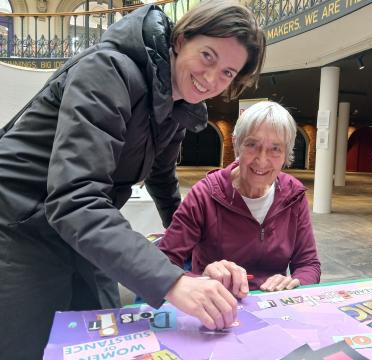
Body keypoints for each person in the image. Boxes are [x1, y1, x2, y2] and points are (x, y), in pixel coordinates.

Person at [0, 1, 265, 357]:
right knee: (30, 345)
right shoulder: (107, 71)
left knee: (106, 335)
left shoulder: (178, 106)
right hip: (18, 224)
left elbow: (163, 180)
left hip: (80, 229)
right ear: (180, 39)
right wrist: (172, 280)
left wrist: (202, 256)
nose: (212, 79)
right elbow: (75, 198)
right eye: (207, 56)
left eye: (228, 73)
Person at [159, 101, 321, 299]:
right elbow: (164, 263)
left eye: (275, 148)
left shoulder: (293, 194)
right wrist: (202, 278)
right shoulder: (205, 194)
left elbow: (308, 264)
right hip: (215, 304)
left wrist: (296, 283)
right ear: (237, 144)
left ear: (287, 153)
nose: (262, 160)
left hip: (272, 305)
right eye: (252, 145)